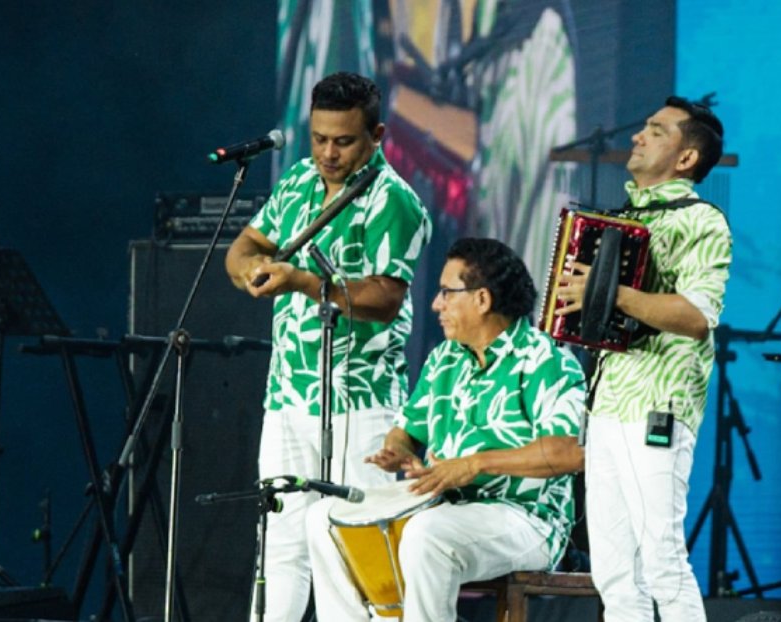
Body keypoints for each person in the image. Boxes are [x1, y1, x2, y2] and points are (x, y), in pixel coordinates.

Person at [224, 71, 432, 622]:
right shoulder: (297, 181)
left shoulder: (395, 200)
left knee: (358, 547)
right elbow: (247, 244)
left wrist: (302, 282)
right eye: (319, 139)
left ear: (377, 134)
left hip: (361, 402)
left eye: (343, 141)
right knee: (282, 542)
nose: (328, 153)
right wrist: (248, 268)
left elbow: (384, 298)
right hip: (289, 393)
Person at [305, 237, 586, 621]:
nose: (437, 304)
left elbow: (567, 453)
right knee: (323, 518)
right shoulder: (444, 359)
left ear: (482, 299)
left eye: (447, 293)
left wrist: (472, 465)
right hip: (444, 506)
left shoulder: (547, 360)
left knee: (426, 534)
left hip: (525, 518)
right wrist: (399, 450)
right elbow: (406, 431)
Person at [556, 95, 731, 621]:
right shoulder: (627, 216)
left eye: (657, 130)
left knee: (661, 558)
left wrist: (609, 293)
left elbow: (699, 314)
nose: (638, 136)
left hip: (660, 404)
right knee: (613, 571)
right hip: (607, 403)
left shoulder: (702, 220)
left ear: (686, 159)